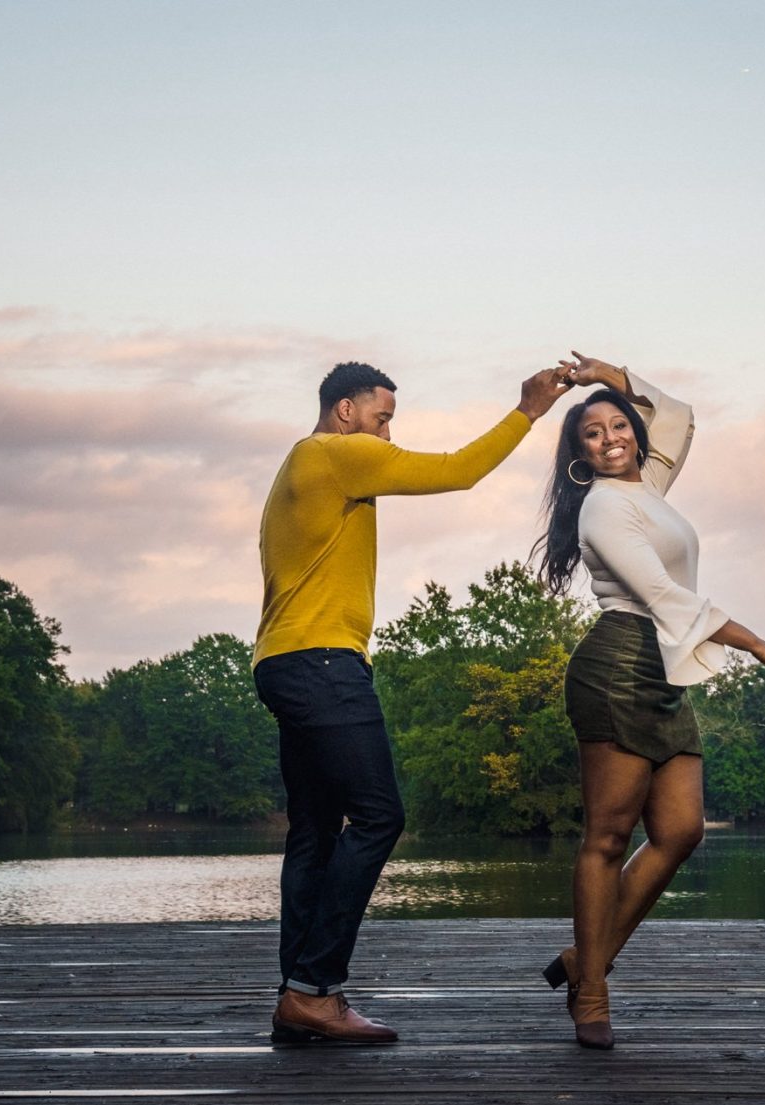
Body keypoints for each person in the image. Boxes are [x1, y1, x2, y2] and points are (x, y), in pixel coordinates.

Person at [254, 360, 569, 1045]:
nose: (387, 432)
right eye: (381, 416)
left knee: (313, 831)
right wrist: (528, 410)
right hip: (325, 663)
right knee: (378, 815)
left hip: (282, 662)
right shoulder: (335, 454)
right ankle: (316, 987)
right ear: (345, 410)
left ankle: (297, 994)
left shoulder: (297, 466)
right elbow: (457, 470)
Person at [533, 352, 765, 1049]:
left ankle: (581, 960)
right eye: (591, 434)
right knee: (607, 836)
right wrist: (756, 642)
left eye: (618, 424)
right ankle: (591, 989)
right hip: (618, 665)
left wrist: (608, 375)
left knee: (681, 829)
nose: (610, 436)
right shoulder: (601, 509)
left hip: (665, 671)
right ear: (577, 457)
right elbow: (663, 597)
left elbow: (677, 417)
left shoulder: (649, 482)